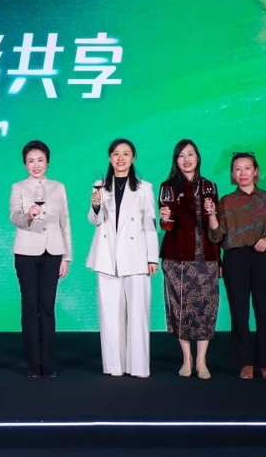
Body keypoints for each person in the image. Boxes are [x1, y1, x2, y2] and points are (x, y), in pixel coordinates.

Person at [207, 152, 266, 380]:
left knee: (265, 310)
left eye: (247, 168)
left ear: (255, 171)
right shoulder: (225, 202)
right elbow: (217, 235)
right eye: (237, 169)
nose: (242, 173)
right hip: (235, 259)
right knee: (239, 312)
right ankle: (246, 362)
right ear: (232, 174)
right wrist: (211, 215)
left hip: (263, 258)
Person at [86, 138, 159, 378]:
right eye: (116, 153)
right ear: (110, 157)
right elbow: (94, 220)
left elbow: (150, 224)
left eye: (126, 154)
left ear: (133, 158)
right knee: (109, 315)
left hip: (136, 256)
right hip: (107, 256)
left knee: (138, 313)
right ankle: (113, 366)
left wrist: (152, 257)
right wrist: (95, 207)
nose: (121, 158)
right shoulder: (100, 186)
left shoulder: (144, 188)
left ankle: (138, 366)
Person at [158, 139, 221, 380]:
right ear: (176, 160)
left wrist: (212, 214)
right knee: (181, 306)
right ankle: (187, 358)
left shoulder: (209, 186)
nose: (186, 159)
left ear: (198, 157)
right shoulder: (168, 187)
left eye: (191, 154)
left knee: (206, 306)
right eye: (181, 155)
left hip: (207, 255)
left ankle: (202, 361)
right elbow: (166, 225)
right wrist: (165, 218)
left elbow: (216, 229)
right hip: (177, 256)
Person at [9, 140, 72, 378]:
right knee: (30, 307)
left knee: (47, 308)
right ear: (25, 164)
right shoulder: (18, 187)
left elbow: (65, 222)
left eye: (40, 160)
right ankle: (33, 365)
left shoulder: (58, 187)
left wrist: (66, 257)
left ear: (47, 162)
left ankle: (48, 364)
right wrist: (28, 215)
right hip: (26, 253)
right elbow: (14, 216)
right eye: (31, 161)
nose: (36, 165)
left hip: (53, 253)